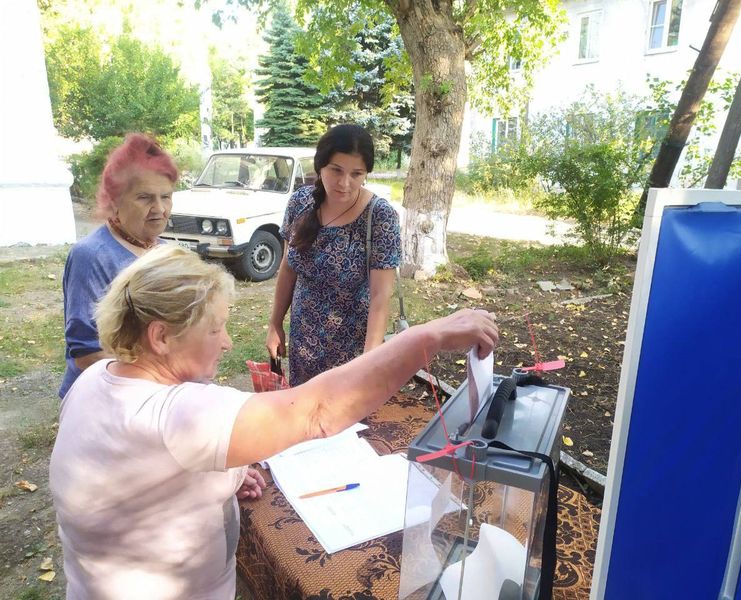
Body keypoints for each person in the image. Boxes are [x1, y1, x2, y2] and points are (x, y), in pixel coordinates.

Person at [49, 245, 498, 599]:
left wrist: (220, 477)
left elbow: (147, 478)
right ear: (161, 336)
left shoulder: (94, 380)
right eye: (214, 329)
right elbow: (317, 410)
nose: (226, 343)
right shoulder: (178, 414)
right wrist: (428, 336)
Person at [266, 124, 401, 385]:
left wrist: (368, 362)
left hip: (352, 352)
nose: (344, 183)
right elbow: (288, 268)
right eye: (336, 170)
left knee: (346, 425)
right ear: (320, 166)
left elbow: (380, 297)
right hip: (303, 342)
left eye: (357, 174)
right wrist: (275, 324)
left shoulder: (380, 217)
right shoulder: (300, 202)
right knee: (301, 419)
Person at [59, 133, 177, 399]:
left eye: (166, 197)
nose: (159, 208)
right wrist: (157, 374)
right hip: (104, 399)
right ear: (114, 201)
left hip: (155, 391)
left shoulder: (167, 251)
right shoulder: (91, 256)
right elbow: (86, 353)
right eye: (145, 198)